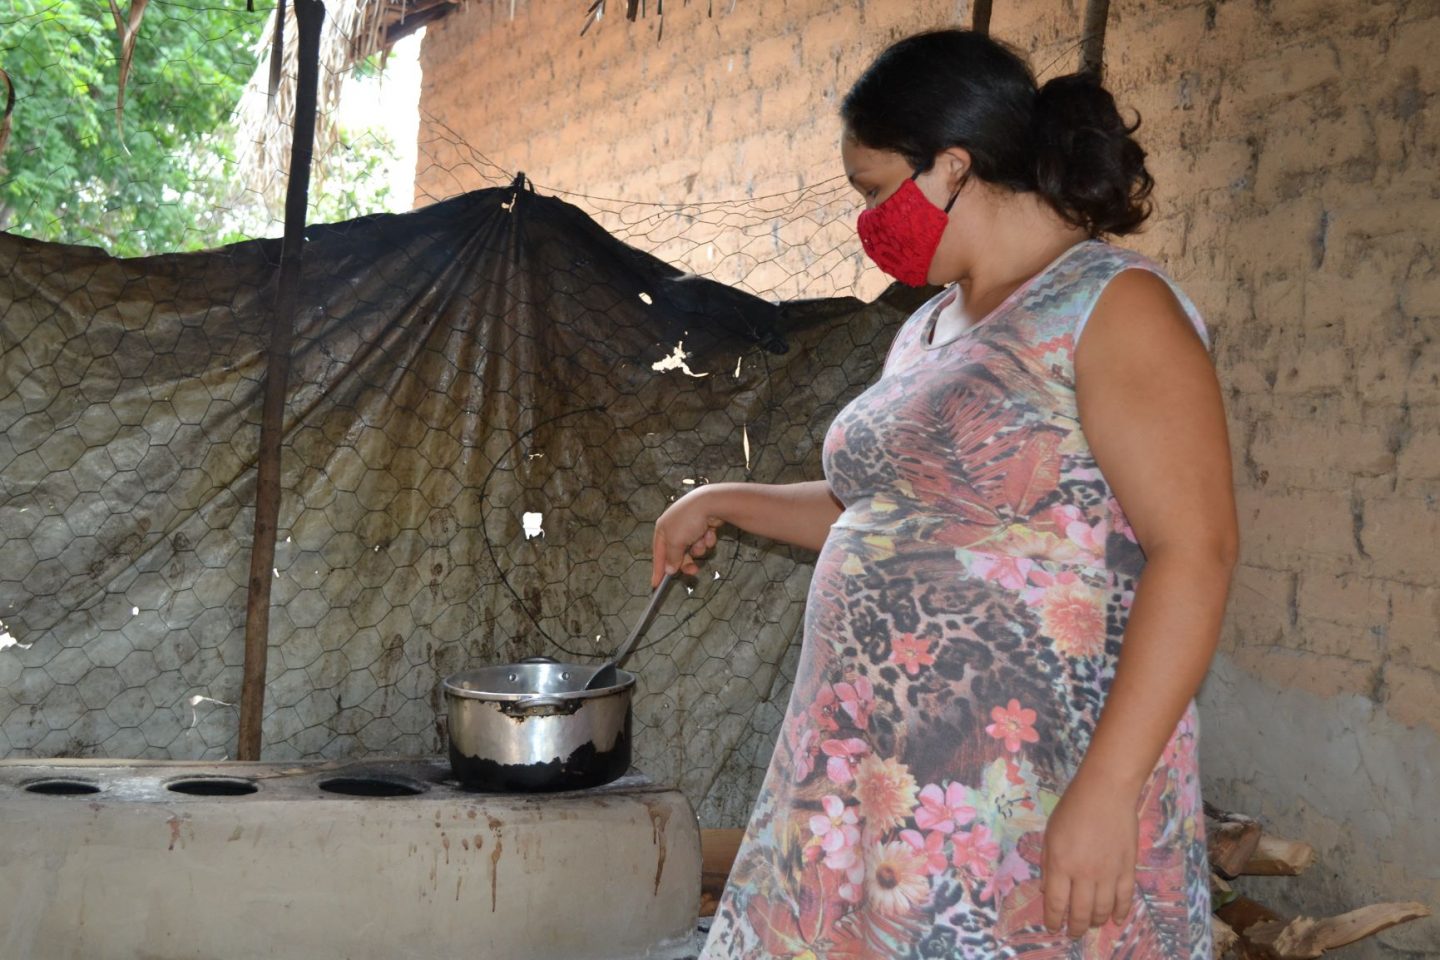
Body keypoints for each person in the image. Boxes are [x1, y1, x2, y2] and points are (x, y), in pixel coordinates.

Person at [652, 29, 1237, 959]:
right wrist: (725, 498)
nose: (869, 219)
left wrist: (1108, 789)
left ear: (952, 166)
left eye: (876, 189)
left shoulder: (1113, 305)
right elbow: (890, 513)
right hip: (870, 781)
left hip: (1026, 782)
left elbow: (1194, 552)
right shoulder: (929, 324)